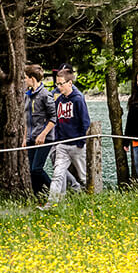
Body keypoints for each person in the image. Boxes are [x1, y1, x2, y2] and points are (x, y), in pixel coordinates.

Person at [44, 68, 91, 206]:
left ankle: (90, 201)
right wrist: (58, 140)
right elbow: (57, 121)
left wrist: (81, 142)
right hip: (62, 145)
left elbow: (85, 122)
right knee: (57, 174)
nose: (58, 87)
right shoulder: (59, 101)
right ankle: (51, 204)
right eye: (57, 84)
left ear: (70, 83)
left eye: (61, 84)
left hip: (77, 145)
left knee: (83, 176)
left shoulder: (78, 99)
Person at [25, 65, 57, 196]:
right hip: (31, 138)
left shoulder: (45, 94)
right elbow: (27, 119)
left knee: (36, 169)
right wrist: (24, 138)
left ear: (32, 78)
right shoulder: (27, 95)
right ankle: (39, 198)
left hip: (45, 138)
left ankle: (55, 194)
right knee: (31, 172)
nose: (24, 80)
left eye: (25, 78)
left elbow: (53, 117)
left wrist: (43, 134)